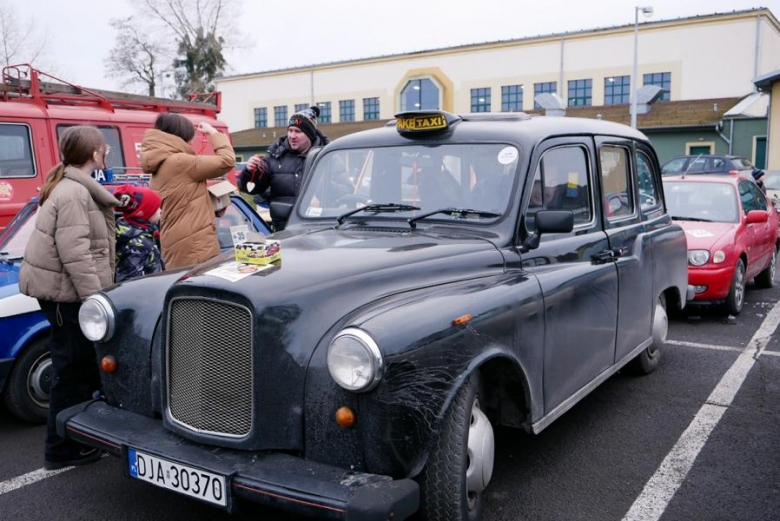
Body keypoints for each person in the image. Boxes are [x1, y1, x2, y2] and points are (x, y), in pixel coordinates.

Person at [18, 125, 121, 470]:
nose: (106, 150)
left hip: (64, 294)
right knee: (71, 371)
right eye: (103, 146)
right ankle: (60, 451)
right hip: (67, 297)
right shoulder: (75, 193)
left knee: (77, 369)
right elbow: (76, 254)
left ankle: (75, 440)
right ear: (94, 154)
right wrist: (97, 303)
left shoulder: (70, 186)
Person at [140, 114, 235, 269]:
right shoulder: (179, 161)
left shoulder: (161, 161)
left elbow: (181, 202)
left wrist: (209, 208)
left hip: (177, 243)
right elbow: (227, 161)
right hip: (195, 246)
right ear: (182, 135)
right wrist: (213, 133)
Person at [237, 105, 329, 231]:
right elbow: (251, 188)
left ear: (310, 135)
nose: (292, 136)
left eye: (298, 131)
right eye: (290, 130)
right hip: (283, 231)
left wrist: (322, 200)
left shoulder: (326, 157)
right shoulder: (275, 157)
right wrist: (249, 171)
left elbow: (343, 193)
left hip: (318, 230)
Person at [113, 185, 164, 283]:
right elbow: (129, 282)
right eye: (156, 208)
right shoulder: (138, 244)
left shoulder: (143, 233)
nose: (160, 211)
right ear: (143, 213)